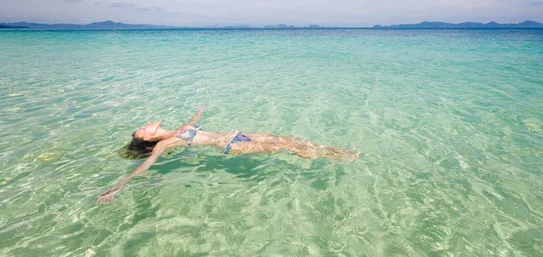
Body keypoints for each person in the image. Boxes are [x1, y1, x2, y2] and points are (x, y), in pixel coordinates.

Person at [97, 107, 359, 204]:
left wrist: (198, 114)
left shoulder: (179, 129)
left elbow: (191, 125)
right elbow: (146, 165)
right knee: (285, 147)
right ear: (148, 139)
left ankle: (332, 151)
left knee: (287, 140)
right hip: (232, 146)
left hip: (234, 134)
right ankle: (333, 157)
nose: (145, 125)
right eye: (142, 130)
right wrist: (117, 188)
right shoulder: (163, 144)